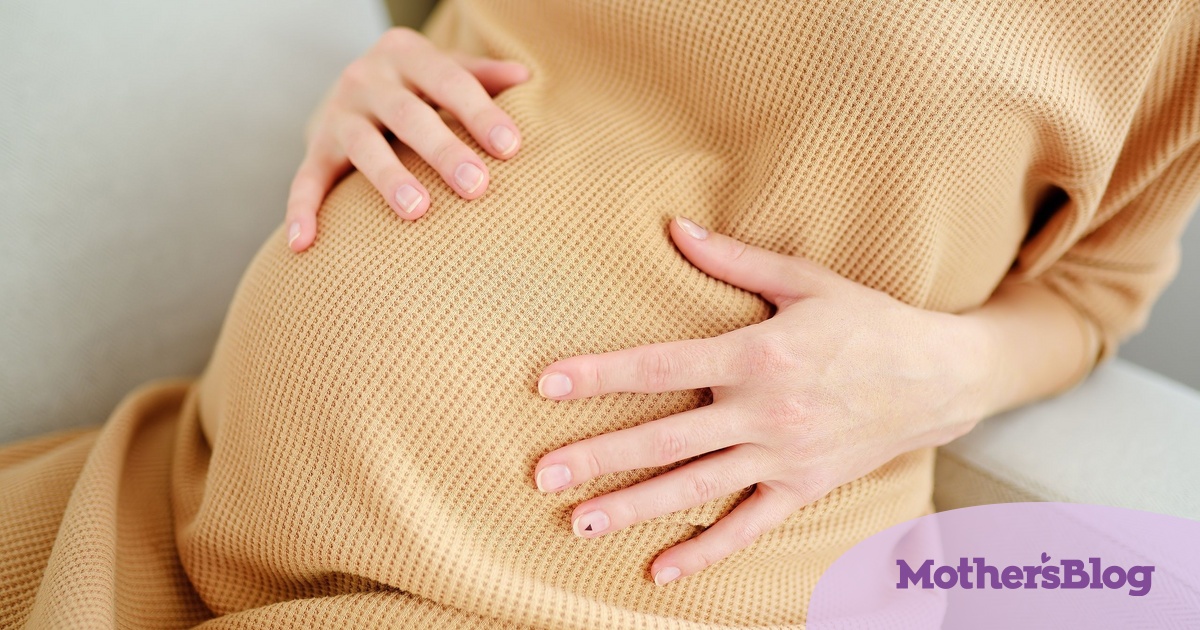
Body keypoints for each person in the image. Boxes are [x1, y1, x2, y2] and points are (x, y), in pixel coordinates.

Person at [2, 0, 1198, 627]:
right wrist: (382, 76)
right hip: (189, 501)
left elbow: (1096, 292)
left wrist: (945, 375)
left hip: (618, 596)